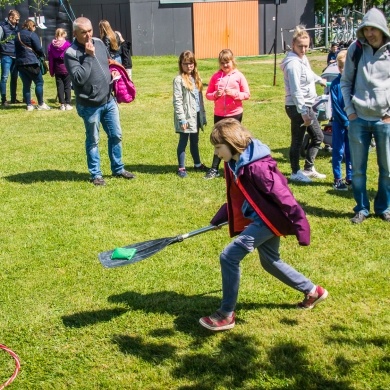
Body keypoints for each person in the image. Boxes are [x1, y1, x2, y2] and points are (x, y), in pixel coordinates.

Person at [199, 118, 328, 331]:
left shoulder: (257, 167)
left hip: (268, 221)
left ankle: (226, 314)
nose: (216, 153)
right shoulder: (236, 162)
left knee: (229, 256)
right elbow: (240, 196)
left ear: (232, 143)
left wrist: (301, 224)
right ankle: (314, 291)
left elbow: (284, 196)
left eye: (218, 147)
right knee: (270, 261)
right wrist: (223, 215)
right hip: (261, 218)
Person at [64, 17, 135, 186]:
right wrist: (88, 56)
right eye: (83, 32)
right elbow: (79, 79)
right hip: (89, 105)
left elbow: (106, 63)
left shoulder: (99, 43)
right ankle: (95, 174)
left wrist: (112, 74)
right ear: (75, 33)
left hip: (108, 100)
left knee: (116, 135)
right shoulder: (70, 53)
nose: (88, 35)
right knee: (93, 140)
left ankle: (118, 168)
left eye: (90, 31)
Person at [340, 8, 390, 224]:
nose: (370, 33)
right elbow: (345, 81)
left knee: (387, 169)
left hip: (384, 119)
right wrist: (350, 112)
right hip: (358, 118)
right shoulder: (356, 48)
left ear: (382, 28)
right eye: (366, 29)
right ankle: (361, 208)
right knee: (357, 170)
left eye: (374, 29)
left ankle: (384, 207)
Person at [280, 25, 327, 183]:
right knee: (298, 140)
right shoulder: (293, 64)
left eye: (306, 46)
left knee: (318, 136)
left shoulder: (302, 59)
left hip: (306, 105)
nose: (304, 49)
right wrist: (304, 113)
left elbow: (308, 74)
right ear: (293, 44)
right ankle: (295, 172)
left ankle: (308, 168)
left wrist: (320, 80)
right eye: (300, 46)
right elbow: (296, 90)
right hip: (297, 107)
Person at [204, 49, 250, 179]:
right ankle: (214, 169)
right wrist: (215, 95)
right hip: (219, 114)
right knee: (219, 140)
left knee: (233, 141)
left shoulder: (239, 76)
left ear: (232, 61)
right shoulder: (215, 77)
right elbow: (208, 94)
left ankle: (236, 169)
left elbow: (246, 94)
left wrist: (234, 94)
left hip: (234, 114)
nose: (225, 65)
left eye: (227, 62)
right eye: (222, 62)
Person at [173, 50, 208, 178]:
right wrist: (182, 119)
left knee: (195, 140)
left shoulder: (196, 78)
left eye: (191, 63)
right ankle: (181, 168)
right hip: (186, 117)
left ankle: (197, 164)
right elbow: (177, 101)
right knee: (183, 141)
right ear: (181, 64)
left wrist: (202, 116)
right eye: (185, 63)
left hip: (196, 115)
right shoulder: (178, 80)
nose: (189, 66)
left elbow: (199, 100)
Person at [14, 19, 50, 111]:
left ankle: (29, 105)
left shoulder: (17, 35)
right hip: (31, 62)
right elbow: (38, 48)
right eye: (34, 26)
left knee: (26, 84)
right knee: (39, 82)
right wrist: (42, 55)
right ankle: (41, 104)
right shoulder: (31, 34)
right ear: (31, 25)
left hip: (20, 63)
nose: (35, 28)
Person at [329, 49, 351, 191]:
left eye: (346, 66)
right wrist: (346, 122)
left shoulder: (353, 83)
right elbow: (336, 107)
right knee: (338, 151)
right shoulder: (335, 85)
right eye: (340, 67)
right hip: (339, 123)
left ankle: (351, 176)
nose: (343, 69)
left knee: (351, 151)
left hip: (352, 123)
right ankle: (338, 178)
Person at [48, 28, 72, 111]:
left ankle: (62, 104)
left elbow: (50, 59)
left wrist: (51, 70)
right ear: (64, 34)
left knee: (59, 86)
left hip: (57, 67)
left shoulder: (51, 45)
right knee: (67, 86)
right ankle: (68, 103)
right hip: (66, 67)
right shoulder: (67, 44)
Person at [0, 9, 20, 107]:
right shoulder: (2, 27)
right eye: (16, 19)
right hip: (6, 55)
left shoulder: (16, 28)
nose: (17, 21)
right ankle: (3, 99)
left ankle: (13, 98)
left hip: (15, 55)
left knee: (14, 77)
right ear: (10, 18)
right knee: (4, 77)